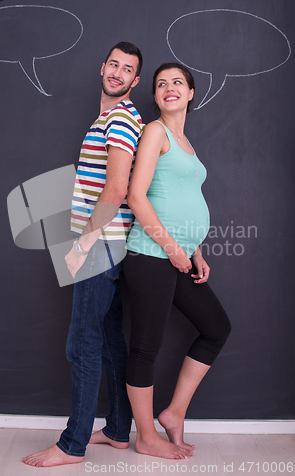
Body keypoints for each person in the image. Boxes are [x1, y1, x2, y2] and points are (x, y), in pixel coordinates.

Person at [23, 42, 144, 467]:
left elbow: (116, 189)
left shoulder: (123, 119)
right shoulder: (109, 118)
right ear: (102, 68)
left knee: (82, 344)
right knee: (108, 340)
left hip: (99, 245)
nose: (117, 72)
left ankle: (71, 445)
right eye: (114, 64)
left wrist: (83, 244)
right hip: (104, 244)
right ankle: (116, 430)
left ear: (135, 81)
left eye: (127, 69)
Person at [122, 62, 231, 460]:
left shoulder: (186, 142)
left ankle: (174, 413)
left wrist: (197, 252)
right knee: (146, 348)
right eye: (161, 84)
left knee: (216, 328)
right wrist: (173, 249)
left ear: (190, 93)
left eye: (177, 83)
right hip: (152, 254)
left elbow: (182, 200)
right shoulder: (155, 132)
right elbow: (137, 197)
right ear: (155, 97)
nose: (169, 88)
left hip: (180, 256)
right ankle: (146, 436)